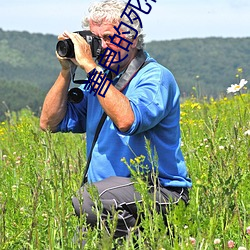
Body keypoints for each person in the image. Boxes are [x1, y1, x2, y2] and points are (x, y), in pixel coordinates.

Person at [40, 0, 192, 244]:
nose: (101, 46)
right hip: (110, 198)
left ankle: (146, 241)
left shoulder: (154, 77)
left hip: (160, 191)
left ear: (131, 38)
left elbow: (127, 120)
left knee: (88, 200)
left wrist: (89, 66)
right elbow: (49, 123)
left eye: (109, 38)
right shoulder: (99, 81)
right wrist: (66, 70)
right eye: (95, 38)